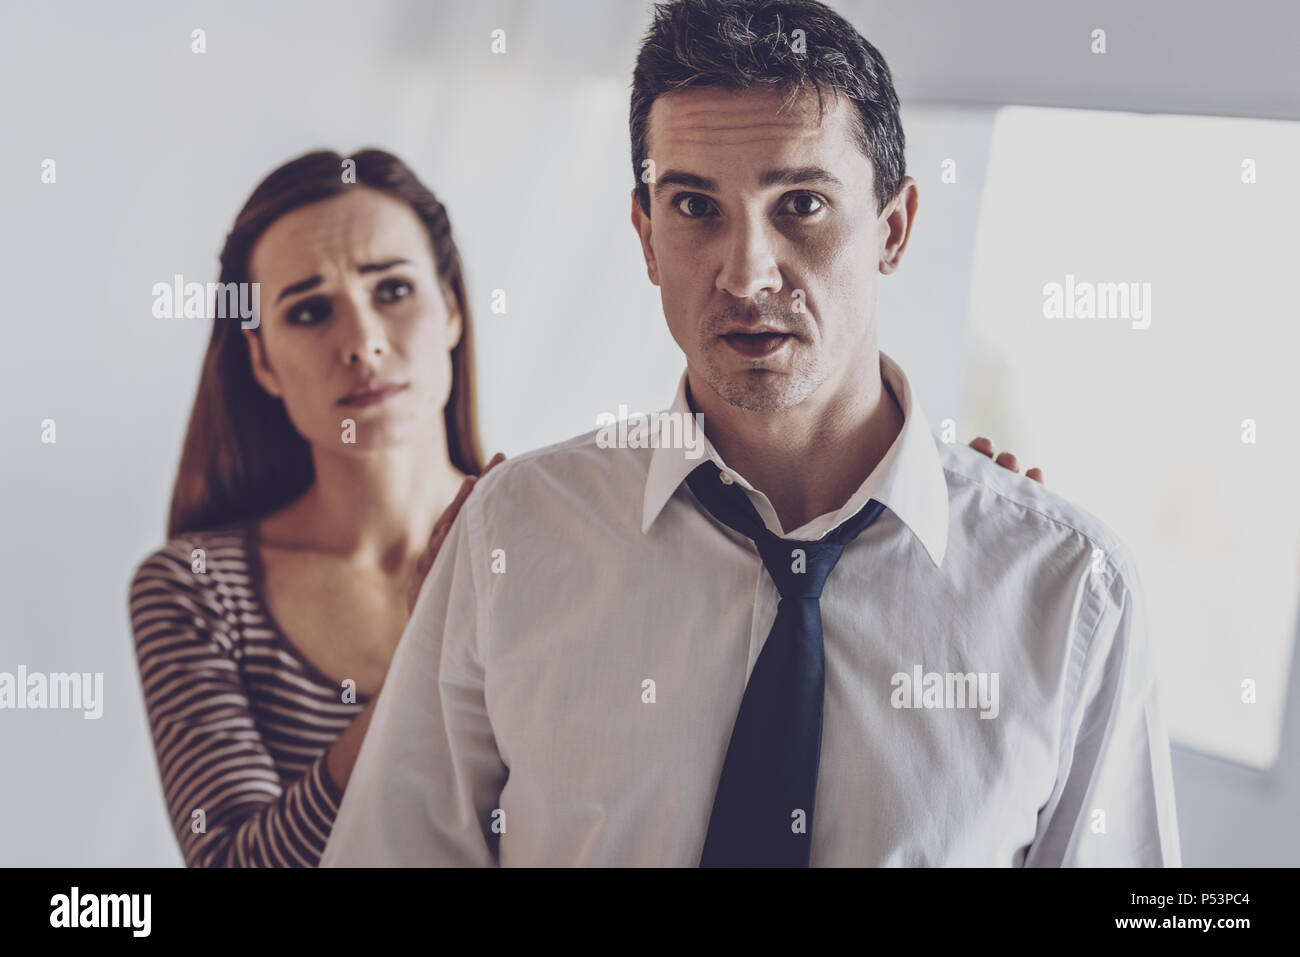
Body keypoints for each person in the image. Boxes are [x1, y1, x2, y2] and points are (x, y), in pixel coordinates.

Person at [321, 0, 1178, 868]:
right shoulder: (511, 535)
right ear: (647, 237)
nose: (745, 272)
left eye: (800, 201)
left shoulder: (1070, 596)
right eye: (695, 205)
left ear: (894, 228)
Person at [127, 149, 502, 866]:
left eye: (392, 289)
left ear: (451, 308)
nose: (361, 342)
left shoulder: (559, 532)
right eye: (307, 311)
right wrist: (426, 659)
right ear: (262, 360)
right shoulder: (196, 588)